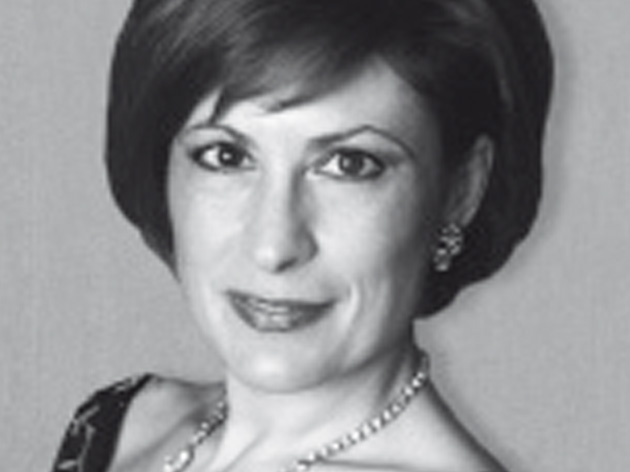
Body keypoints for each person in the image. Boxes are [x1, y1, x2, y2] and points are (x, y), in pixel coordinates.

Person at [51, 0, 553, 471]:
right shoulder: (120, 424)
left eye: (349, 165)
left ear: (461, 191)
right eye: (226, 156)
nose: (274, 247)